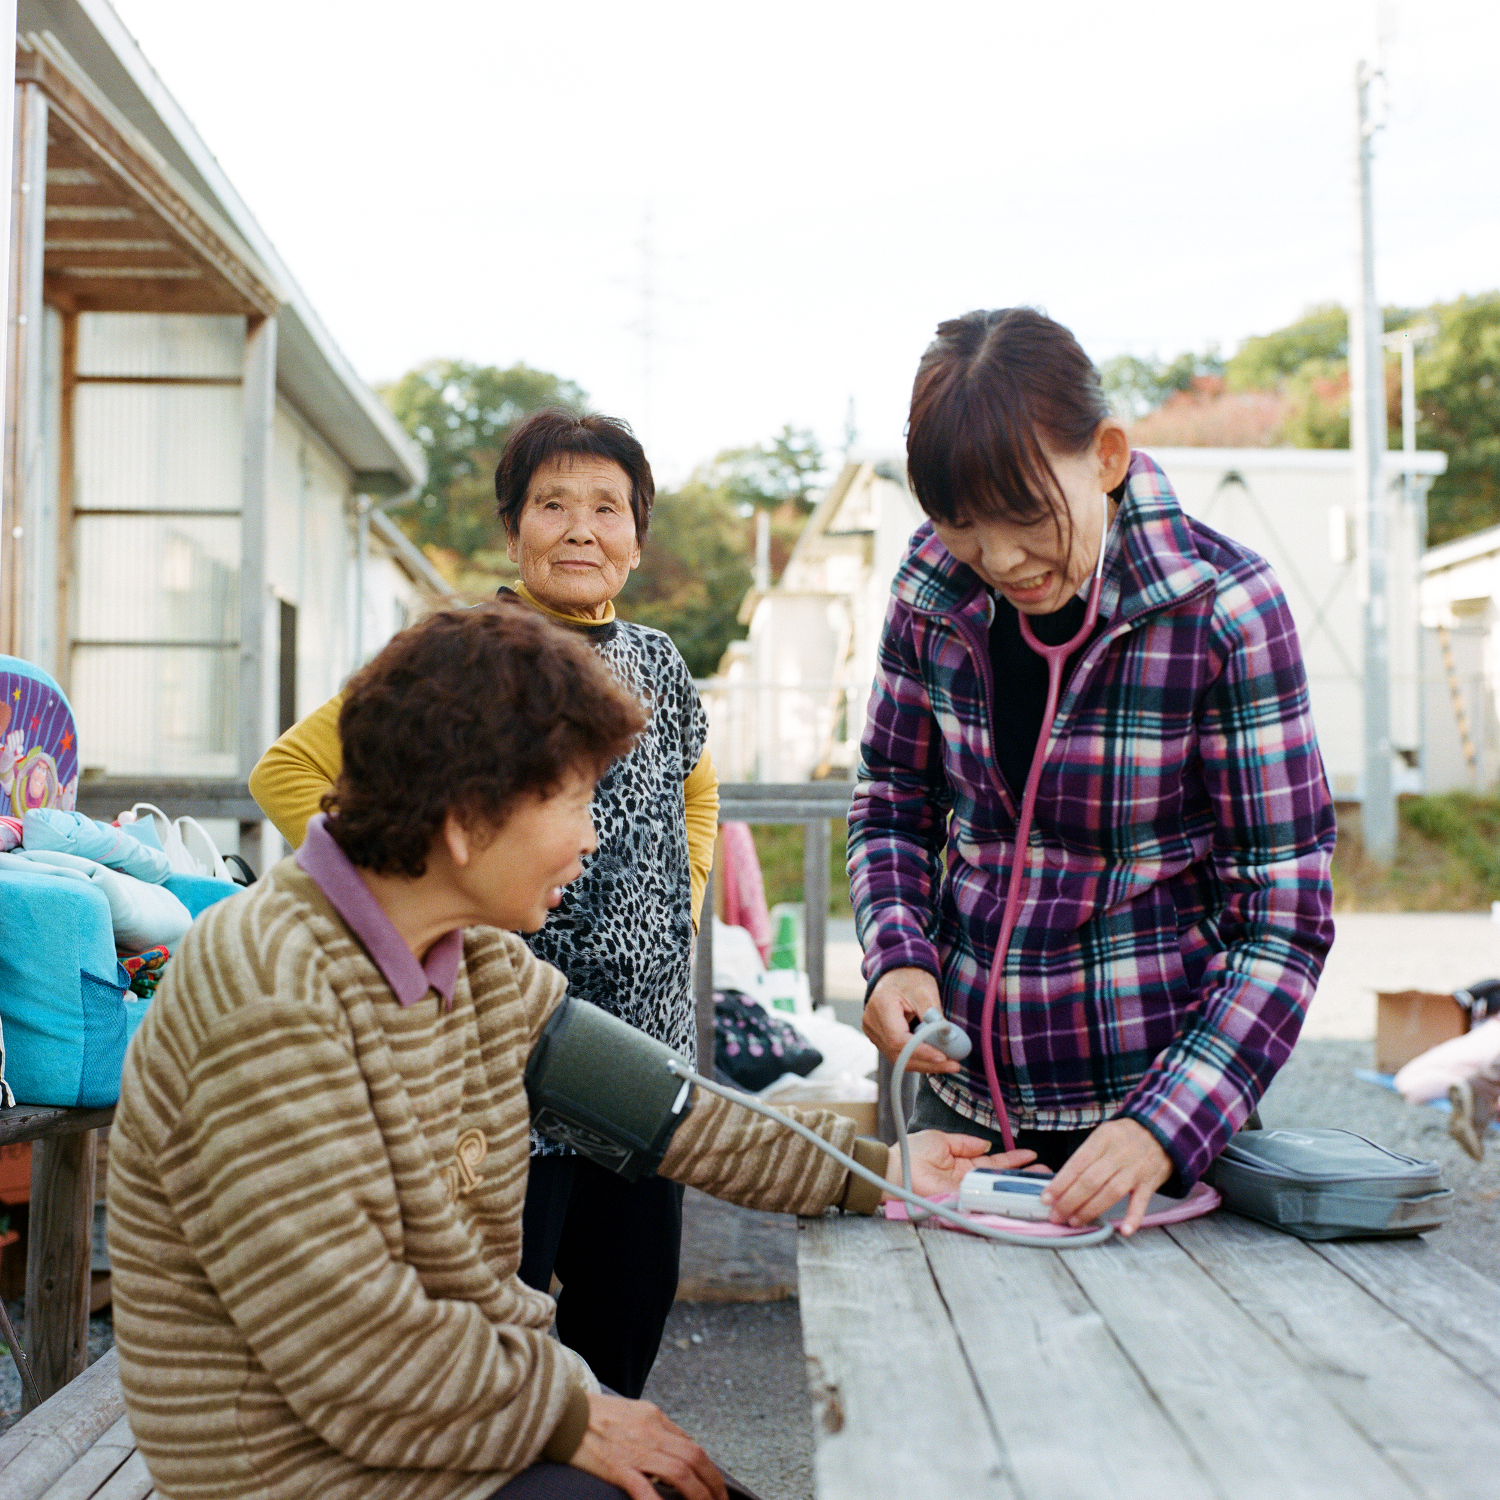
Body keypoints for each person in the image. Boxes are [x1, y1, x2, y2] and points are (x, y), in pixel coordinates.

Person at [107, 603, 1024, 1500]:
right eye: (578, 799)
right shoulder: (268, 992)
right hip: (307, 1463)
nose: (593, 838)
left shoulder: (481, 968)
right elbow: (344, 1346)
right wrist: (573, 1412)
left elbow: (668, 1112)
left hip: (447, 1419)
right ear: (466, 820)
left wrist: (877, 1170)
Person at [250, 410, 716, 1397]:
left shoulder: (663, 666)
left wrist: (684, 895)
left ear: (636, 539)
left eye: (608, 507)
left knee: (625, 1323)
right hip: (493, 1065)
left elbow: (696, 787)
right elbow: (289, 772)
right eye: (553, 505)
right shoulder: (462, 653)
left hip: (639, 1055)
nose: (581, 529)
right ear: (514, 531)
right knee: (482, 1344)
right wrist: (400, 904)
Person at [850, 307, 1337, 1235]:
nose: (999, 560)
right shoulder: (929, 586)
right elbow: (891, 803)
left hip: (1159, 1118)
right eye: (961, 524)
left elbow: (1283, 918)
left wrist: (1167, 1123)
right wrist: (896, 958)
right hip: (963, 1111)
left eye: (1027, 517)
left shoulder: (1226, 610)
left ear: (1107, 456)